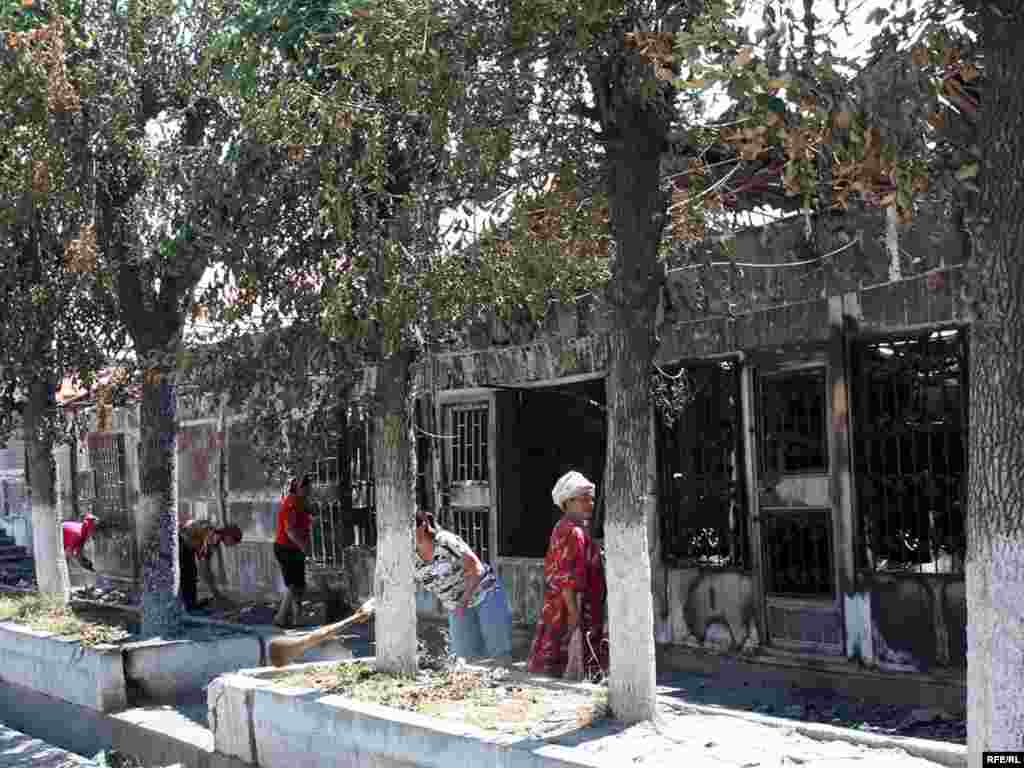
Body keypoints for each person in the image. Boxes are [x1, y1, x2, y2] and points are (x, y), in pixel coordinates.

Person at [527, 470, 608, 679]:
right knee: (568, 660)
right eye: (584, 500)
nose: (590, 504)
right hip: (571, 607)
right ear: (568, 502)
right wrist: (574, 615)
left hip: (565, 605)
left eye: (591, 500)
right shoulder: (573, 532)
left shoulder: (568, 527)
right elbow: (567, 579)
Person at [415, 510, 512, 661]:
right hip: (457, 605)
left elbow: (477, 569)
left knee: (499, 654)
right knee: (464, 659)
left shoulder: (445, 541)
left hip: (485, 593)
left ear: (422, 527)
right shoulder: (409, 555)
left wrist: (463, 602)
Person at [178, 519, 243, 612]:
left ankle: (190, 603)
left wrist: (214, 590)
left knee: (191, 573)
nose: (233, 545)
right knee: (189, 574)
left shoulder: (214, 534)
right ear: (228, 535)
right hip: (182, 542)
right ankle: (189, 605)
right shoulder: (213, 536)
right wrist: (216, 593)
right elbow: (204, 567)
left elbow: (206, 563)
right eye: (235, 541)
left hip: (185, 543)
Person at [274, 474, 312, 627]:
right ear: (298, 488)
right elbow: (289, 530)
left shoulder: (300, 502)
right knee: (293, 585)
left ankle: (297, 618)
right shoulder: (291, 503)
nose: (309, 490)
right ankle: (281, 617)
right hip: (286, 548)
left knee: (299, 586)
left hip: (294, 548)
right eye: (307, 487)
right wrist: (303, 546)